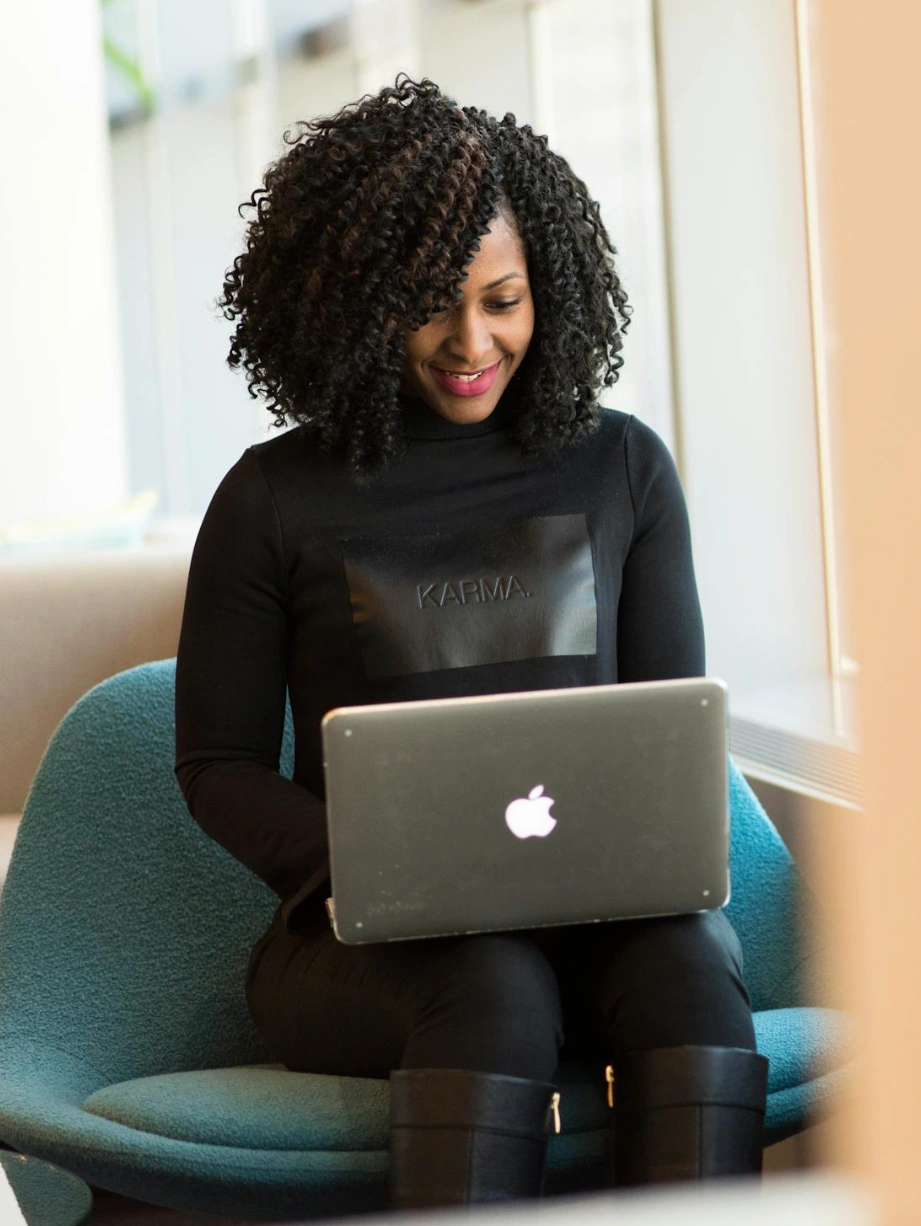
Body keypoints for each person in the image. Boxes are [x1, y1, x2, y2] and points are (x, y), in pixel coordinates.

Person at [173, 77, 766, 1208]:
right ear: (351, 302)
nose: (470, 341)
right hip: (367, 944)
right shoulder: (268, 499)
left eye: (504, 299)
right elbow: (218, 768)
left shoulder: (623, 467)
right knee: (493, 981)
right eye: (429, 304)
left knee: (689, 971)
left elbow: (665, 736)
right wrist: (390, 864)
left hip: (605, 919)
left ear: (552, 288)